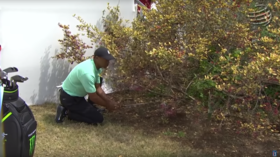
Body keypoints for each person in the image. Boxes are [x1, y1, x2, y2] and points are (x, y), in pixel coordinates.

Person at [55, 47, 118, 125]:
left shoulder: (97, 67)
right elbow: (93, 97)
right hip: (69, 98)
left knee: (100, 80)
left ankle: (87, 108)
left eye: (108, 60)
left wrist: (109, 101)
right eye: (106, 60)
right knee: (98, 119)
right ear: (97, 58)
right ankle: (67, 111)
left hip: (78, 97)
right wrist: (108, 105)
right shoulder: (88, 73)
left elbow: (97, 87)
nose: (108, 62)